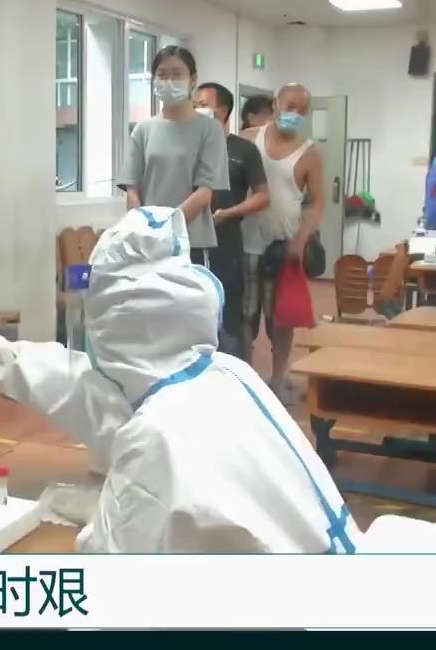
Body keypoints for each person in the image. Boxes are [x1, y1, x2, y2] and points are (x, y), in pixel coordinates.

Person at [0, 206, 359, 554]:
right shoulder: (225, 374)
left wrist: (103, 514)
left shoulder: (155, 432)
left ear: (116, 324)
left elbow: (113, 566)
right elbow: (80, 390)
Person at [239, 82, 324, 398]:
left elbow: (317, 202)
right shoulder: (248, 139)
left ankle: (277, 379)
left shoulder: (310, 153)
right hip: (246, 243)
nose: (295, 114)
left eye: (302, 110)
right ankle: (244, 379)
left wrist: (302, 238)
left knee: (281, 321)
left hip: (283, 248)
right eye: (290, 107)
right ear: (275, 105)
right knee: (244, 316)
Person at [118, 45, 230, 267]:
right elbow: (132, 190)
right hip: (147, 244)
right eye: (161, 75)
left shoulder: (209, 129)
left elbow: (204, 193)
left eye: (177, 74)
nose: (168, 81)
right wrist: (145, 230)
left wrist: (167, 228)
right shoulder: (143, 129)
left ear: (192, 80)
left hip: (190, 242)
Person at [194, 81, 269, 360]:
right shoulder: (190, 148)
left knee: (230, 312)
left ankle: (236, 370)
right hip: (191, 242)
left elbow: (263, 196)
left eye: (203, 105)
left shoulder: (243, 150)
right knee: (193, 308)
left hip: (227, 242)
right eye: (195, 104)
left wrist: (229, 213)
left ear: (222, 111)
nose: (196, 109)